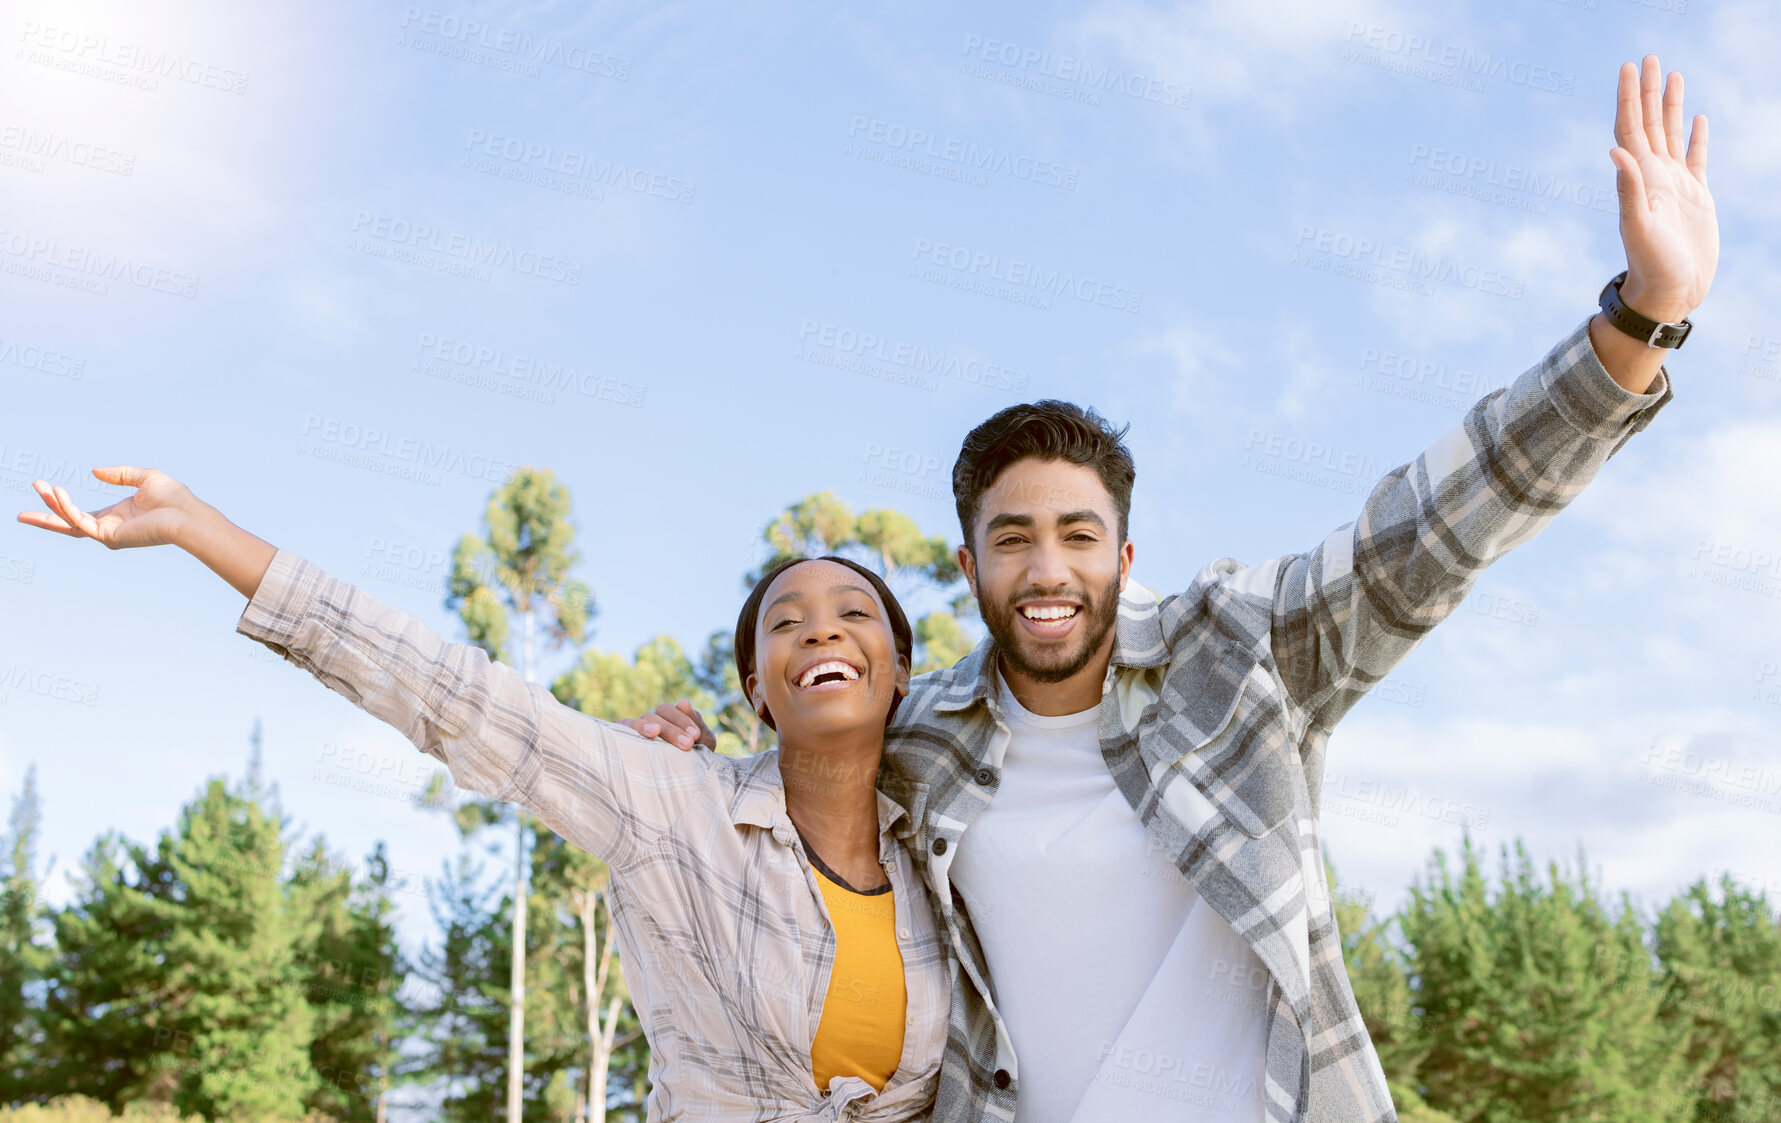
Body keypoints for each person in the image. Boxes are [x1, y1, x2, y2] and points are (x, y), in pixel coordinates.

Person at [624, 54, 1716, 1123]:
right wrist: (677, 770)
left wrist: (1639, 319)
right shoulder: (917, 743)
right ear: (967, 567)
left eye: (1076, 535)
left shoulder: (1239, 653)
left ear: (1122, 558)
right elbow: (786, 815)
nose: (1046, 568)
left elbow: (1429, 531)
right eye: (1011, 539)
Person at [15, 478, 952, 1123]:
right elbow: (452, 695)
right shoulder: (672, 803)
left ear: (902, 671)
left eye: (853, 611)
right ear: (754, 686)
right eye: (785, 621)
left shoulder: (943, 862)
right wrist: (195, 526)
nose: (821, 626)